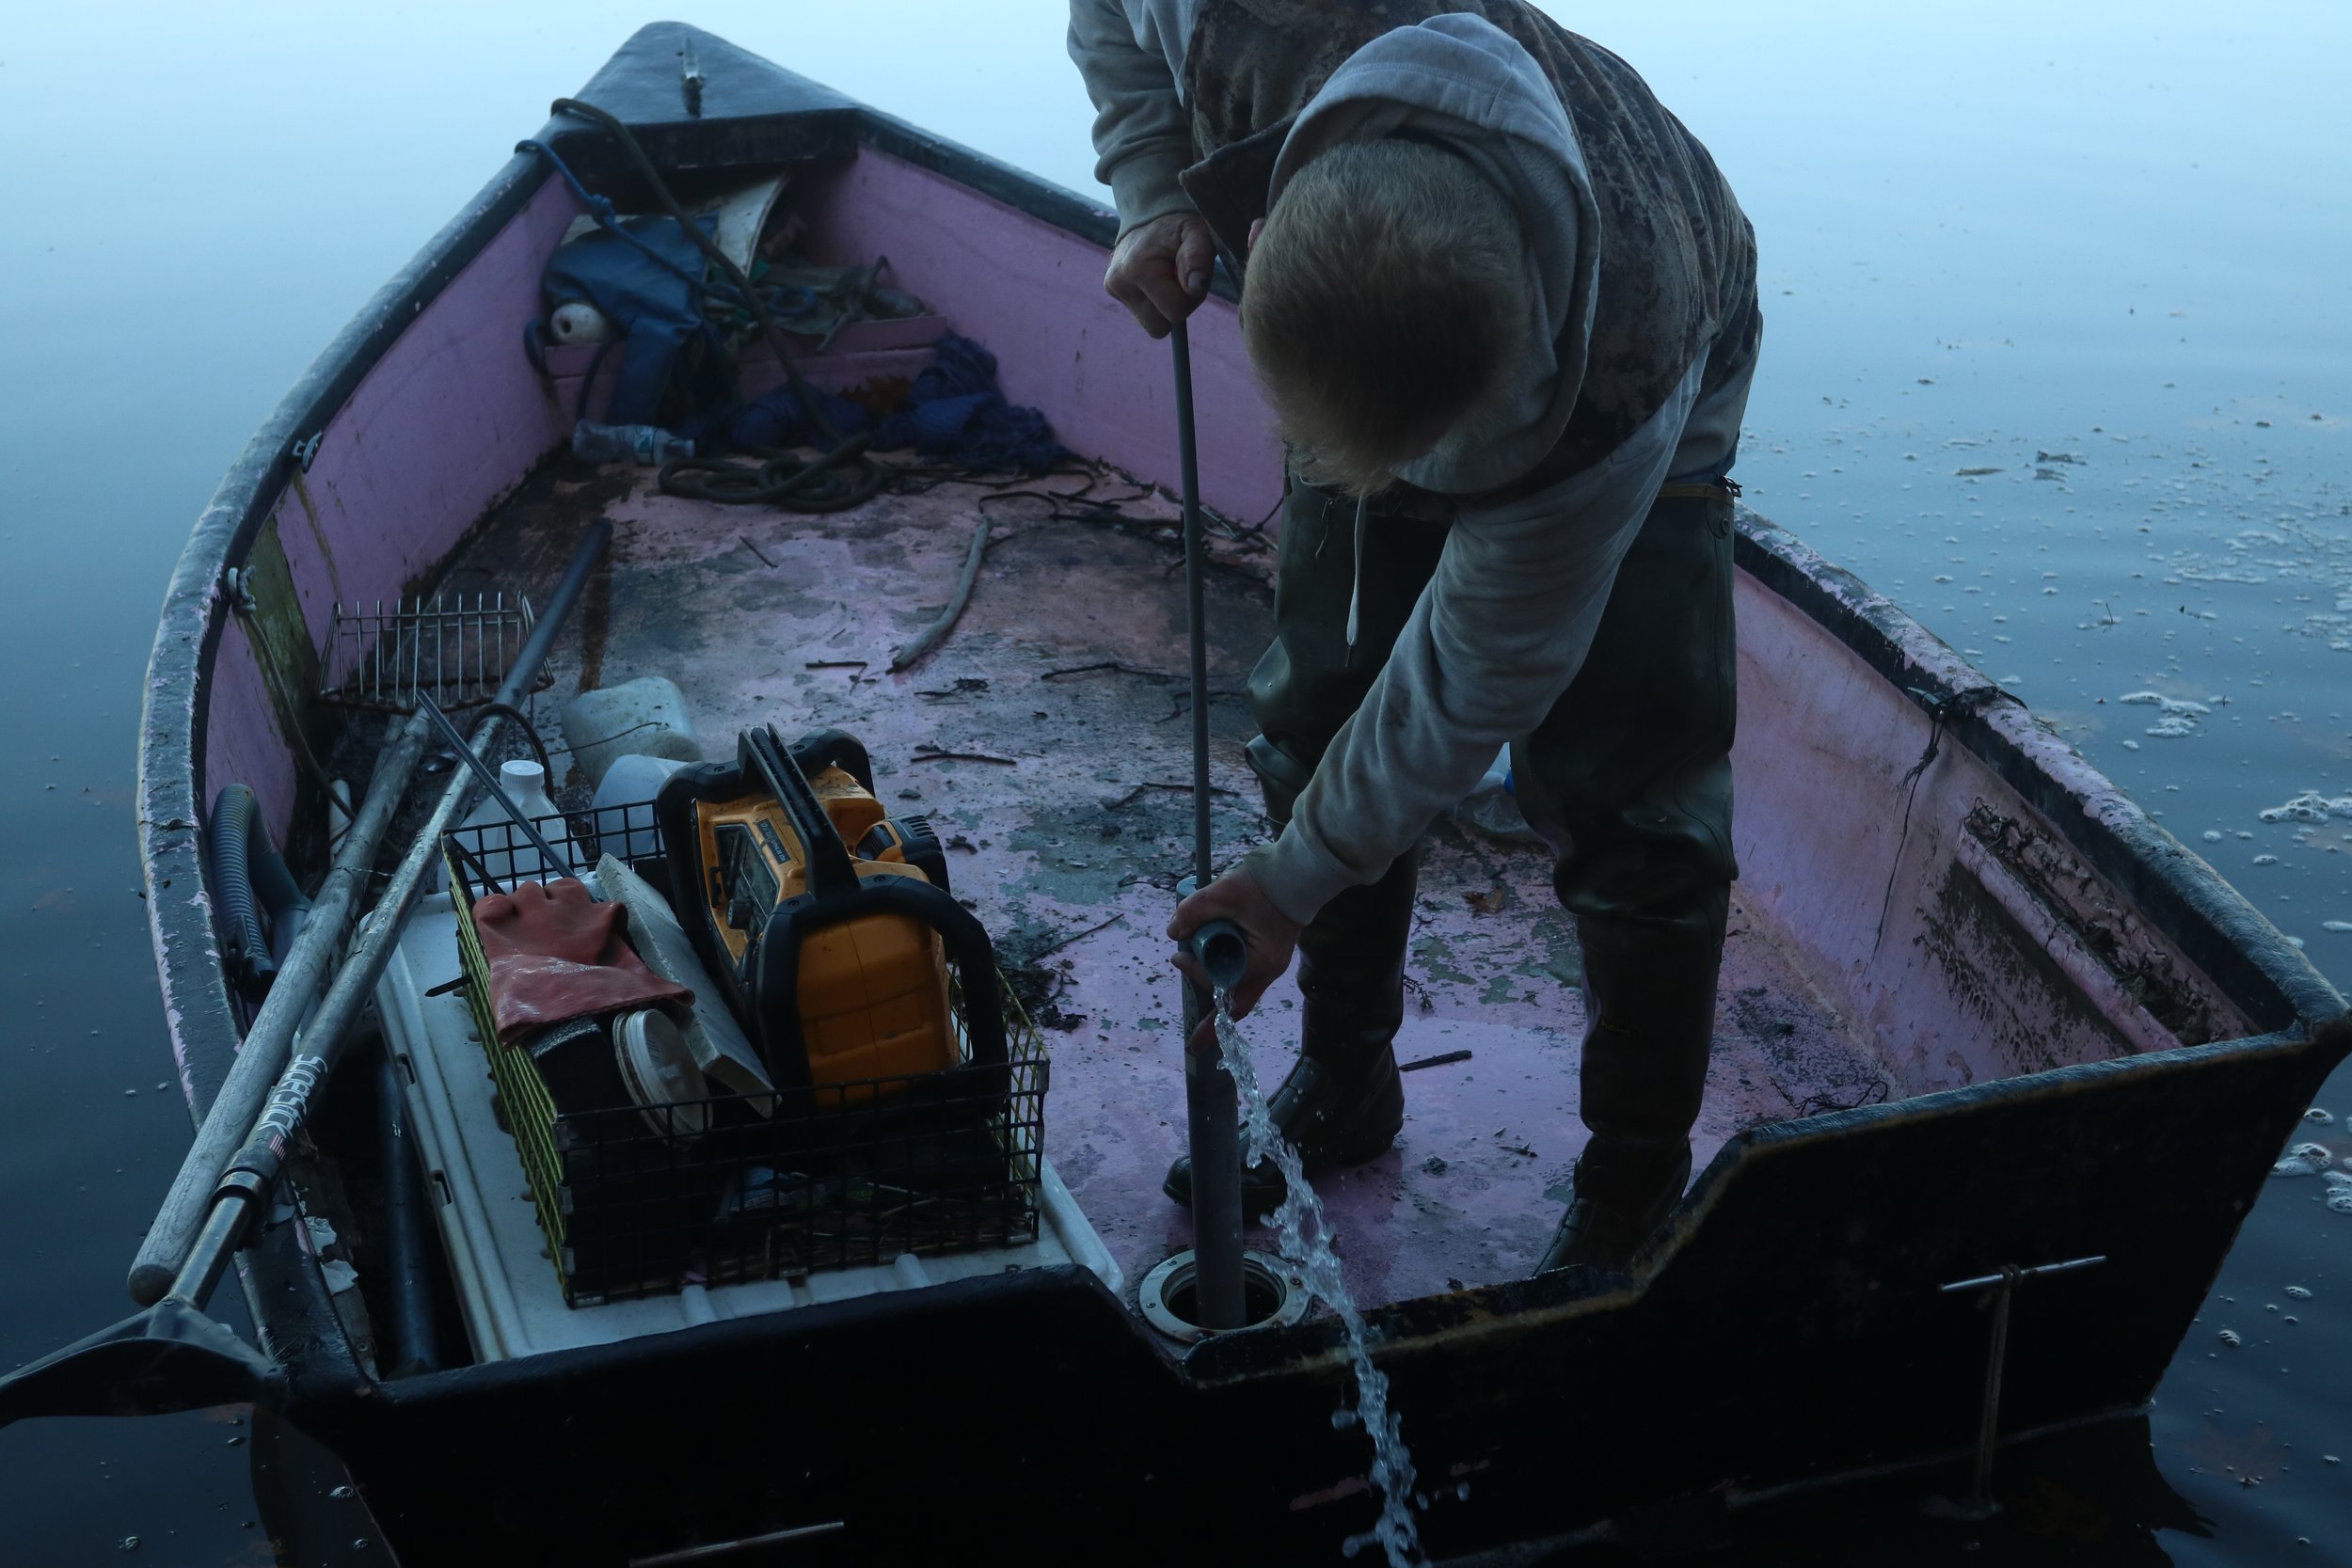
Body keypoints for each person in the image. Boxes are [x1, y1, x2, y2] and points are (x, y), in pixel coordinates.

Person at [1068, 0, 1760, 1273]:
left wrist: (1281, 888)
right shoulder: (1239, 27)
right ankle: (1345, 1076)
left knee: (1632, 797)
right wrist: (1153, 185)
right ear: (1265, 235)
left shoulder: (1614, 381)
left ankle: (1632, 1179)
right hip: (1384, 308)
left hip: (1640, 356)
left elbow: (1467, 686)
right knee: (1325, 700)